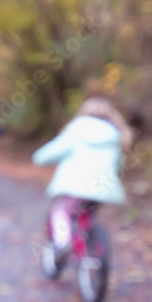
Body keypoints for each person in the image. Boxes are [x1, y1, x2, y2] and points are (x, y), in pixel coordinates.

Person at [31, 97, 133, 268]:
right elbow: (119, 165)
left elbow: (46, 155)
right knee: (87, 215)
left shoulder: (76, 131)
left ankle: (63, 243)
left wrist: (41, 160)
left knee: (61, 211)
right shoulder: (116, 136)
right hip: (103, 188)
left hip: (75, 186)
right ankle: (90, 243)